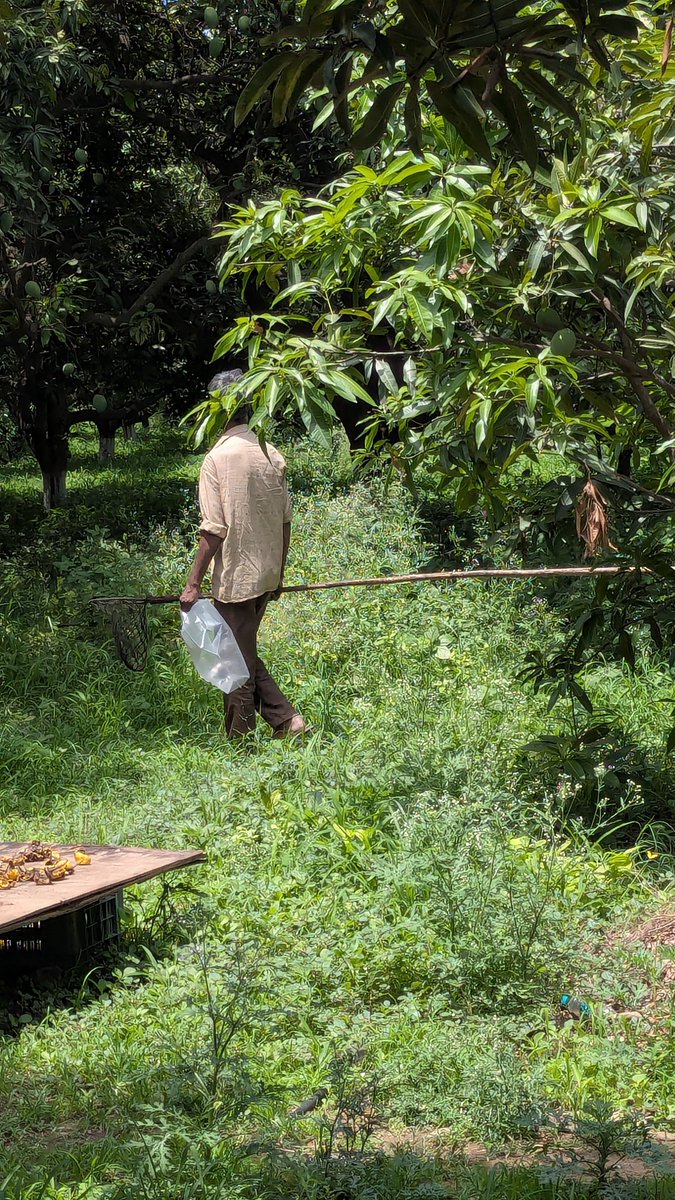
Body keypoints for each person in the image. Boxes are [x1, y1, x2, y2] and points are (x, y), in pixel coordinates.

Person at [180, 370, 306, 740]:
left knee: (232, 661)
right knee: (241, 648)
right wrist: (279, 574)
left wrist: (193, 584)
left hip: (236, 579)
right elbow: (285, 521)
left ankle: (241, 743)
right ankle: (286, 721)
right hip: (265, 574)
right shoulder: (269, 452)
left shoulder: (217, 459)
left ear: (216, 411)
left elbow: (213, 529)